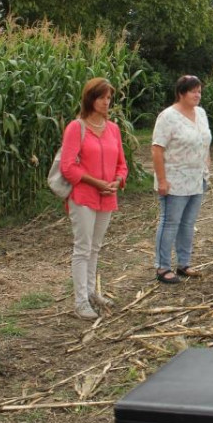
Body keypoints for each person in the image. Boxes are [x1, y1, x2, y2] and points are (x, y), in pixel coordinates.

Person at [59, 78, 128, 320]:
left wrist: (117, 181)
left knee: (95, 247)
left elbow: (122, 164)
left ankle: (90, 292)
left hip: (107, 196)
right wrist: (96, 183)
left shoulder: (113, 129)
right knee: (83, 248)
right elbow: (68, 167)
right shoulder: (76, 128)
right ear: (90, 99)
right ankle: (79, 301)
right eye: (101, 97)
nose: (106, 102)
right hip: (84, 196)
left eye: (109, 98)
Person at [152, 75, 211, 284]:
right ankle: (162, 266)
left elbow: (205, 141)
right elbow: (157, 149)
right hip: (174, 179)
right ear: (181, 93)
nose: (198, 95)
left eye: (199, 91)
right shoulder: (167, 117)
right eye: (193, 91)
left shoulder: (201, 113)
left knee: (188, 223)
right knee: (170, 222)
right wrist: (162, 180)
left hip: (197, 178)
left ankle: (184, 264)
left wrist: (206, 166)